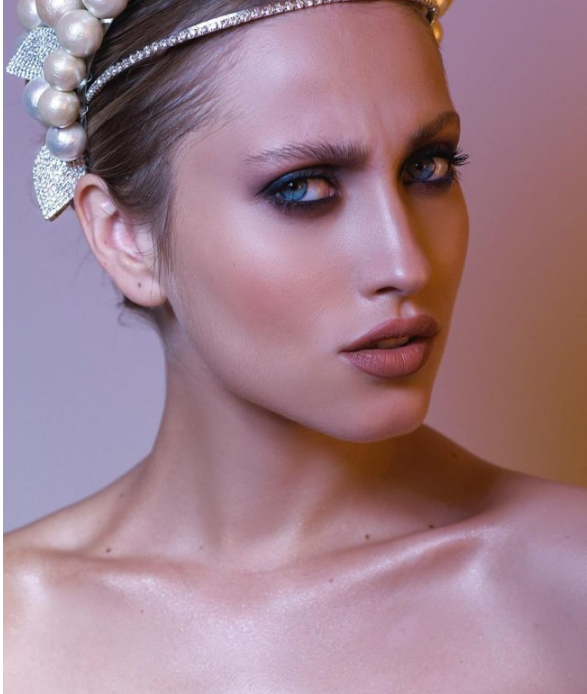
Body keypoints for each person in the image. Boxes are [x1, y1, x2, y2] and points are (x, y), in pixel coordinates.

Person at [4, 0, 587, 690]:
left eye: (428, 168)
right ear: (125, 238)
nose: (406, 264)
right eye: (303, 189)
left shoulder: (566, 586)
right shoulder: (17, 627)